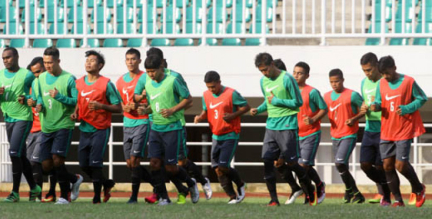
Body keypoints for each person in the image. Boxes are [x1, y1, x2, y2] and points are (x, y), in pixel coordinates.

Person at [135, 47, 212, 203]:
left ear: (161, 67)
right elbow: (153, 105)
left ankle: (191, 183)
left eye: (153, 71)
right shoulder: (148, 84)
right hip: (155, 128)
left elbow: (189, 100)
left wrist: (172, 110)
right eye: (148, 72)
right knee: (155, 163)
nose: (150, 75)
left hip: (173, 128)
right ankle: (164, 198)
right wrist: (145, 109)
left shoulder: (173, 80)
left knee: (172, 167)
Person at [250, 53, 316, 206]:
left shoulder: (287, 79)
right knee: (267, 160)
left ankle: (310, 188)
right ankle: (274, 199)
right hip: (271, 126)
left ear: (272, 64)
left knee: (292, 163)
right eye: (261, 71)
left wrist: (278, 101)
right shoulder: (263, 81)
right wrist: (258, 110)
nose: (264, 73)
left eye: (266, 70)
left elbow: (298, 102)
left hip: (287, 125)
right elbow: (269, 101)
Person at [370, 56, 427, 207]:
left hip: (404, 129)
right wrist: (375, 105)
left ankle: (419, 188)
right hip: (387, 129)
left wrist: (407, 108)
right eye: (382, 74)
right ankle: (398, 200)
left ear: (394, 68)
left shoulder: (409, 81)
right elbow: (378, 100)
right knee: (387, 166)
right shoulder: (381, 83)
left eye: (387, 73)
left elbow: (422, 98)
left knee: (400, 165)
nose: (385, 77)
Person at [33, 47, 83, 205]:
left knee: (57, 159)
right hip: (47, 126)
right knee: (46, 165)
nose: (47, 65)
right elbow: (39, 97)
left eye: (50, 62)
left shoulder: (68, 78)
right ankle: (74, 179)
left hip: (64, 124)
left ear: (58, 61)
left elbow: (76, 101)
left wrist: (60, 97)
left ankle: (64, 195)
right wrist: (38, 105)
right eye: (45, 62)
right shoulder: (40, 79)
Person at [0, 47, 41, 203]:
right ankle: (34, 187)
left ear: (17, 57)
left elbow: (37, 95)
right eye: (3, 58)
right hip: (8, 118)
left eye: (8, 57)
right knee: (19, 154)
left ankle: (15, 192)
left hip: (23, 118)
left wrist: (27, 99)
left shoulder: (27, 75)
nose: (5, 60)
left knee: (13, 153)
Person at [71, 50, 122, 204]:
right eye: (87, 60)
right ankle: (106, 184)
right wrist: (75, 113)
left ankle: (97, 197)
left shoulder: (106, 83)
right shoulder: (78, 83)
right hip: (85, 128)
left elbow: (118, 108)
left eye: (92, 60)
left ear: (100, 65)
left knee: (95, 163)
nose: (88, 62)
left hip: (101, 128)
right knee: (83, 163)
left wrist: (101, 106)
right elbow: (77, 104)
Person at [194, 71, 249, 204]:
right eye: (208, 87)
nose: (211, 89)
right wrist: (200, 117)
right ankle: (232, 196)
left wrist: (233, 115)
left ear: (219, 82)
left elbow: (246, 107)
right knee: (217, 168)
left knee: (223, 165)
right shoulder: (206, 95)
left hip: (230, 134)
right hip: (216, 135)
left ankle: (240, 184)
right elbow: (206, 111)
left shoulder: (231, 93)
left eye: (213, 86)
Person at [324, 69, 366, 204]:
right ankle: (349, 192)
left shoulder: (352, 95)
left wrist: (354, 119)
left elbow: (365, 109)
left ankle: (356, 192)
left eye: (337, 81)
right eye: (331, 82)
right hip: (334, 135)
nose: (334, 84)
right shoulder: (326, 96)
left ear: (342, 80)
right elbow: (320, 110)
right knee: (342, 166)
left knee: (339, 163)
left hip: (349, 134)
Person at [115, 48, 152, 204]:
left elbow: (154, 100)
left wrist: (143, 107)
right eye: (128, 59)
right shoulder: (120, 80)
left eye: (133, 59)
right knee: (130, 163)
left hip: (143, 121)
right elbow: (118, 103)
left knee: (135, 159)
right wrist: (125, 108)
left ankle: (133, 197)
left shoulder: (146, 77)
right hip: (127, 123)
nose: (130, 62)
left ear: (139, 61)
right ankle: (158, 185)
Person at [358, 53, 391, 206]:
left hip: (384, 129)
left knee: (380, 165)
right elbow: (366, 100)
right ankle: (387, 187)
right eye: (364, 70)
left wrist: (379, 107)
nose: (367, 73)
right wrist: (363, 107)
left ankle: (386, 194)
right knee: (364, 164)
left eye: (369, 70)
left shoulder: (386, 81)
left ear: (377, 66)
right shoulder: (364, 82)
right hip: (369, 129)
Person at [292, 62, 328, 204]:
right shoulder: (290, 92)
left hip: (311, 133)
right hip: (295, 135)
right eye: (294, 72)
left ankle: (310, 193)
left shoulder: (312, 92)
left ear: (307, 75)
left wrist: (313, 119)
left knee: (303, 167)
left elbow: (324, 108)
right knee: (299, 166)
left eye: (300, 73)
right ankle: (317, 185)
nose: (296, 75)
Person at [25, 57, 54, 202]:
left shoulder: (51, 84)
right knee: (32, 163)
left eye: (38, 71)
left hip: (47, 128)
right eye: (33, 73)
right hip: (32, 130)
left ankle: (35, 196)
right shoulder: (30, 87)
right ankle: (72, 180)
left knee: (36, 162)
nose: (36, 75)